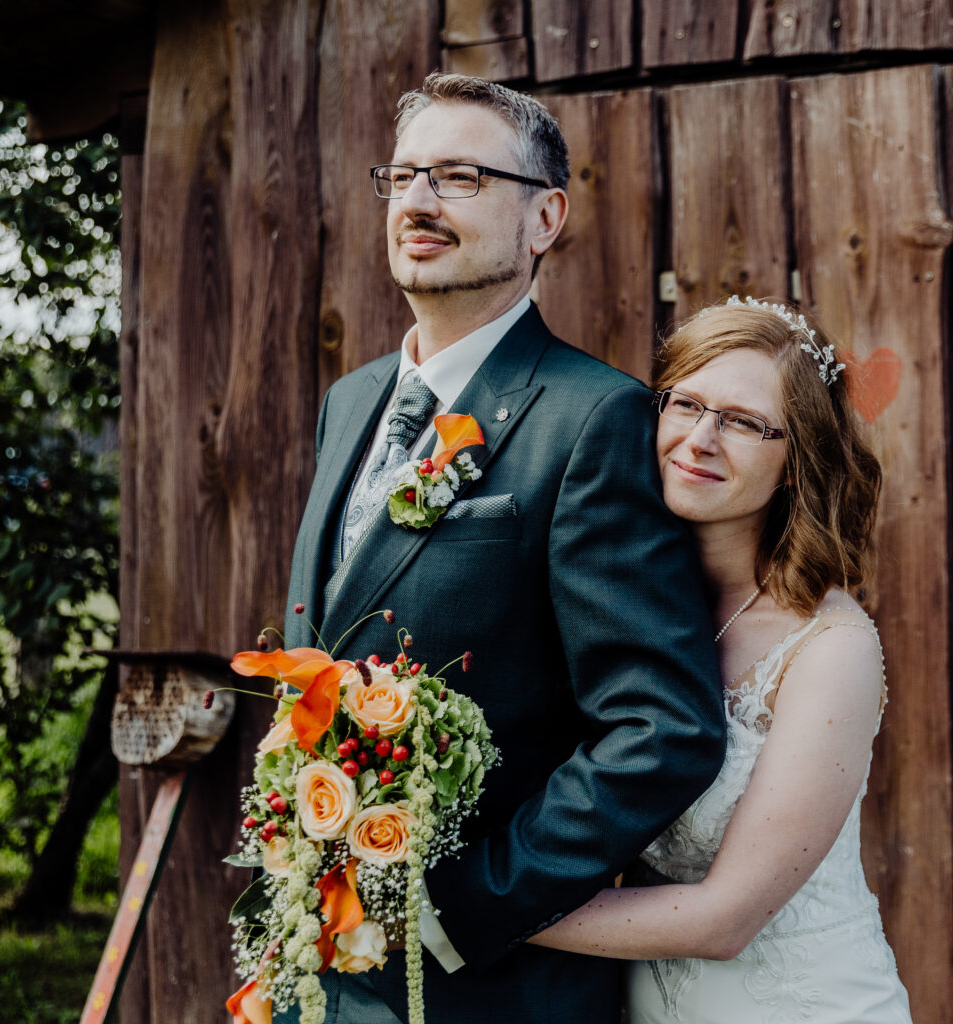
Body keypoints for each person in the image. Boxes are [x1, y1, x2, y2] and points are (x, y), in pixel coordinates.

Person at [276, 73, 727, 1023]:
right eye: (401, 177)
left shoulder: (592, 418)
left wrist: (461, 907)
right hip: (318, 964)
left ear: (544, 218)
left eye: (460, 176)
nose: (418, 201)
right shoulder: (350, 402)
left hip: (486, 986)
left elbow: (661, 727)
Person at [527, 296, 913, 1024]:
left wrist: (463, 908)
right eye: (686, 405)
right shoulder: (613, 608)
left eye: (742, 422)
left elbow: (724, 920)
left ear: (798, 461)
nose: (700, 439)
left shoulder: (831, 650)